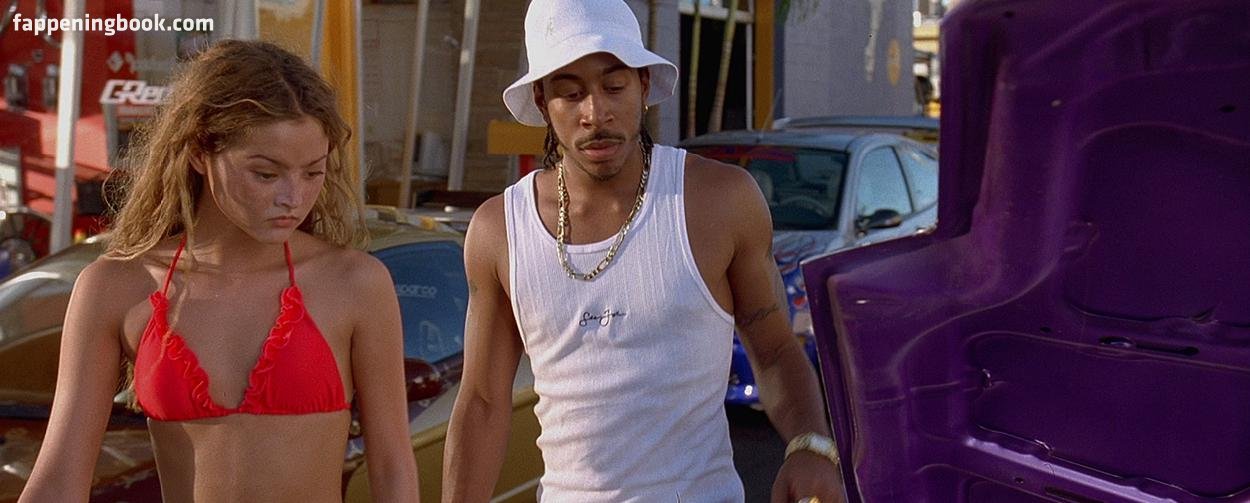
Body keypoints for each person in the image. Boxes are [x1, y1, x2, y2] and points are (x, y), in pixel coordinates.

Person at [442, 1, 845, 501]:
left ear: (644, 85)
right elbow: (482, 401)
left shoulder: (719, 201)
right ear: (542, 102)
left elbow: (776, 348)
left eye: (614, 87)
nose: (596, 114)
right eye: (571, 93)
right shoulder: (499, 231)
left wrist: (811, 445)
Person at [18, 40, 419, 503]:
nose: (293, 198)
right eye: (266, 174)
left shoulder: (354, 283)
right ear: (198, 153)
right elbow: (59, 480)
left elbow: (392, 469)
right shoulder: (116, 287)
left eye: (313, 173)